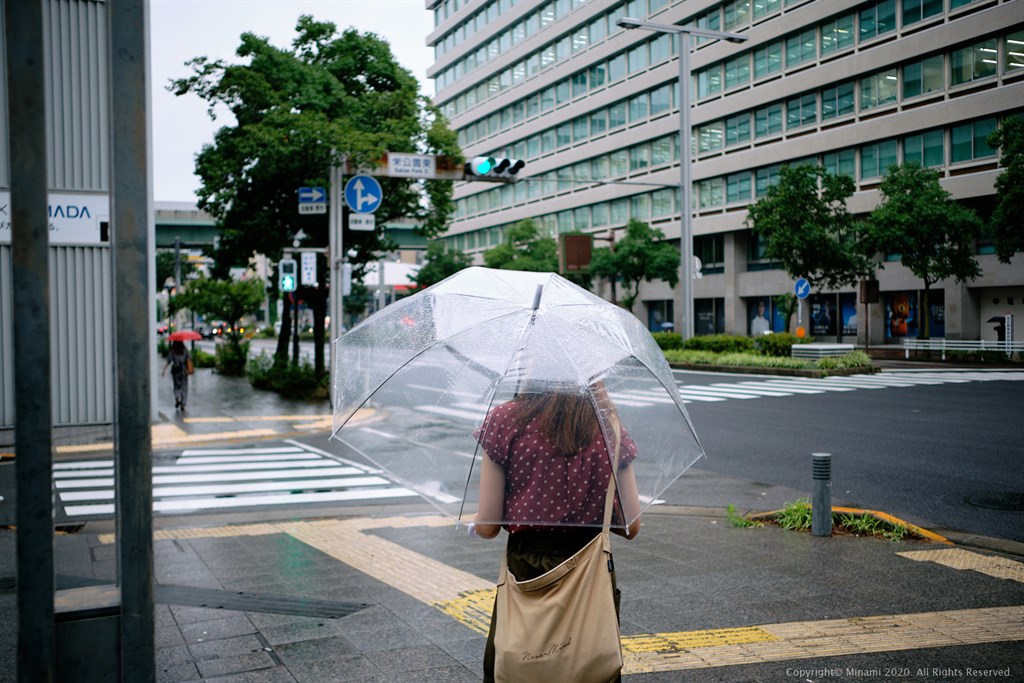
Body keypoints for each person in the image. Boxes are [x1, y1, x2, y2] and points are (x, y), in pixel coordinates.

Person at [473, 383, 641, 683]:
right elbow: (632, 525)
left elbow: (487, 527)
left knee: (518, 666)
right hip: (590, 567)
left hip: (526, 567)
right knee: (588, 664)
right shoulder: (607, 424)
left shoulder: (506, 420)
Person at [162, 340, 191, 411]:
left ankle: (177, 397)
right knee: (184, 387)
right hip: (183, 370)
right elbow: (189, 359)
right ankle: (183, 404)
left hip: (175, 370)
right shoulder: (184, 350)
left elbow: (168, 361)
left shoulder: (172, 350)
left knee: (176, 386)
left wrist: (164, 370)